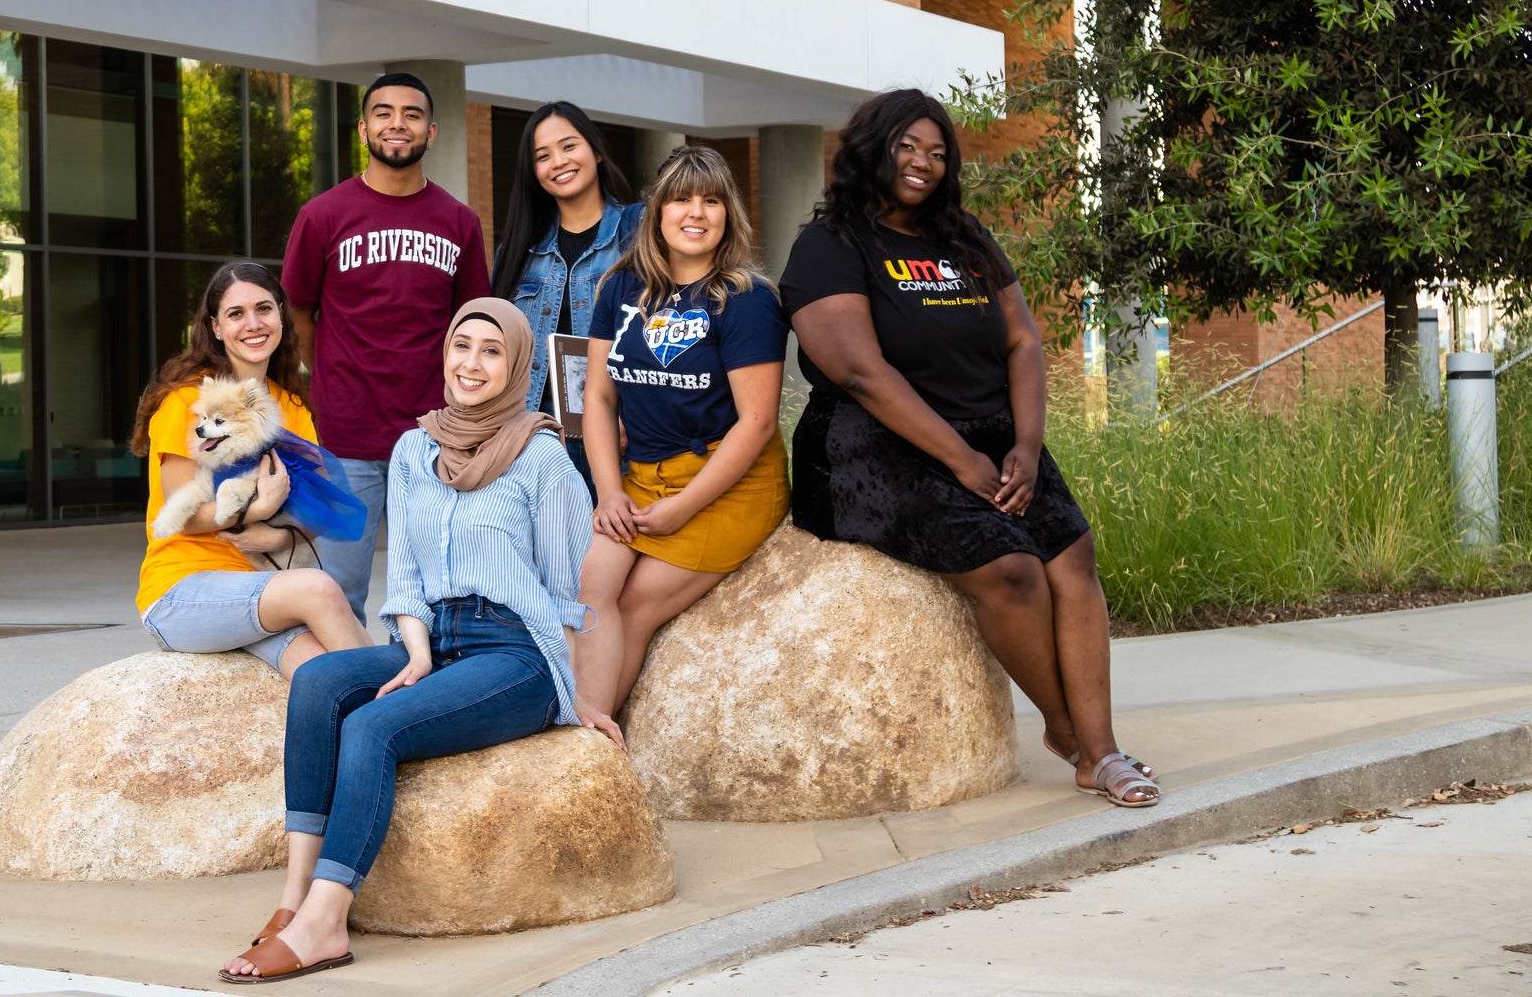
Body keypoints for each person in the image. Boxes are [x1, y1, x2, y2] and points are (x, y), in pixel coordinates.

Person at [779, 88, 1158, 808]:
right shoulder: (830, 246)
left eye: (937, 151)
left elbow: (1021, 340)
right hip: (872, 447)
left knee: (1071, 556)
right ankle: (1070, 733)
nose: (923, 161)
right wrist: (961, 460)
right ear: (873, 148)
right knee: (1013, 569)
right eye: (906, 146)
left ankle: (1102, 753)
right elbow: (862, 371)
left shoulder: (964, 237)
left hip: (991, 435)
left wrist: (1026, 442)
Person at [218, 298, 593, 984]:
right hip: (437, 639)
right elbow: (410, 576)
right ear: (444, 354)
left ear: (516, 367)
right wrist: (415, 652)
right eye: (461, 346)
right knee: (318, 682)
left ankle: (328, 923)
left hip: (515, 656)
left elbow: (570, 594)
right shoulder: (415, 449)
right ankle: (294, 898)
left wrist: (581, 695)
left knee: (374, 725)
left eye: (491, 352)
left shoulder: (543, 460)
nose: (471, 364)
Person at [569, 145, 791, 722]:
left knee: (637, 601)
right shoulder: (619, 289)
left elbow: (758, 421)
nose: (696, 213)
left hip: (728, 481)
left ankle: (589, 744)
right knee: (590, 589)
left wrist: (683, 507)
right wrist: (610, 490)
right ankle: (573, 729)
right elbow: (597, 396)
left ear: (729, 213)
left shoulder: (747, 300)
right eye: (681, 199)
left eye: (711, 200)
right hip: (642, 476)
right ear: (657, 212)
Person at [281, 71, 491, 625]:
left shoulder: (459, 222)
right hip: (345, 437)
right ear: (363, 127)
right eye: (384, 113)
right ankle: (344, 699)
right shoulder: (323, 215)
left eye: (412, 114)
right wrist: (323, 376)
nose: (397, 124)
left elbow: (474, 326)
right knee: (338, 591)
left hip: (432, 438)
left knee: (434, 588)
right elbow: (298, 309)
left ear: (432, 131)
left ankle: (424, 699)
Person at [129, 262, 369, 677]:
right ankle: (407, 709)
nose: (253, 324)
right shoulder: (188, 401)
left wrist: (273, 535)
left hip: (265, 585)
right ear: (216, 327)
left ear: (281, 315)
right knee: (319, 589)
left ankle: (384, 719)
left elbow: (319, 512)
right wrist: (255, 512)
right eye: (236, 314)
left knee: (323, 672)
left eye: (264, 309)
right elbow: (183, 518)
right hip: (184, 590)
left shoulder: (289, 407)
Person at [489, 100, 642, 494]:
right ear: (533, 172)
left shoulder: (638, 235)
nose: (558, 161)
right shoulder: (517, 253)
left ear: (595, 150)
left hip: (619, 439)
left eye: (569, 146)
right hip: (529, 443)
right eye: (543, 156)